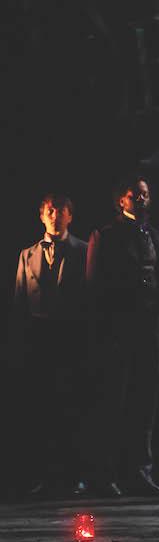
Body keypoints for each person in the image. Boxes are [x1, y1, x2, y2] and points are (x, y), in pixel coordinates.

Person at [87, 177, 159, 496]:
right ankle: (105, 474)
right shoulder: (105, 236)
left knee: (145, 401)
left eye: (145, 194)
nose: (141, 199)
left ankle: (140, 472)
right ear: (121, 201)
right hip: (118, 328)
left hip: (153, 326)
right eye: (135, 194)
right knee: (114, 400)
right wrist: (101, 334)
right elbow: (95, 289)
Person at [11, 194, 89, 498]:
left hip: (73, 341)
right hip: (39, 343)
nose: (55, 215)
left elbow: (92, 299)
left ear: (70, 216)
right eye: (50, 211)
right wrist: (21, 343)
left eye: (61, 211)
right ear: (42, 215)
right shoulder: (26, 254)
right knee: (42, 410)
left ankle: (76, 476)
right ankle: (45, 476)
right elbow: (20, 301)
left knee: (74, 409)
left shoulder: (84, 250)